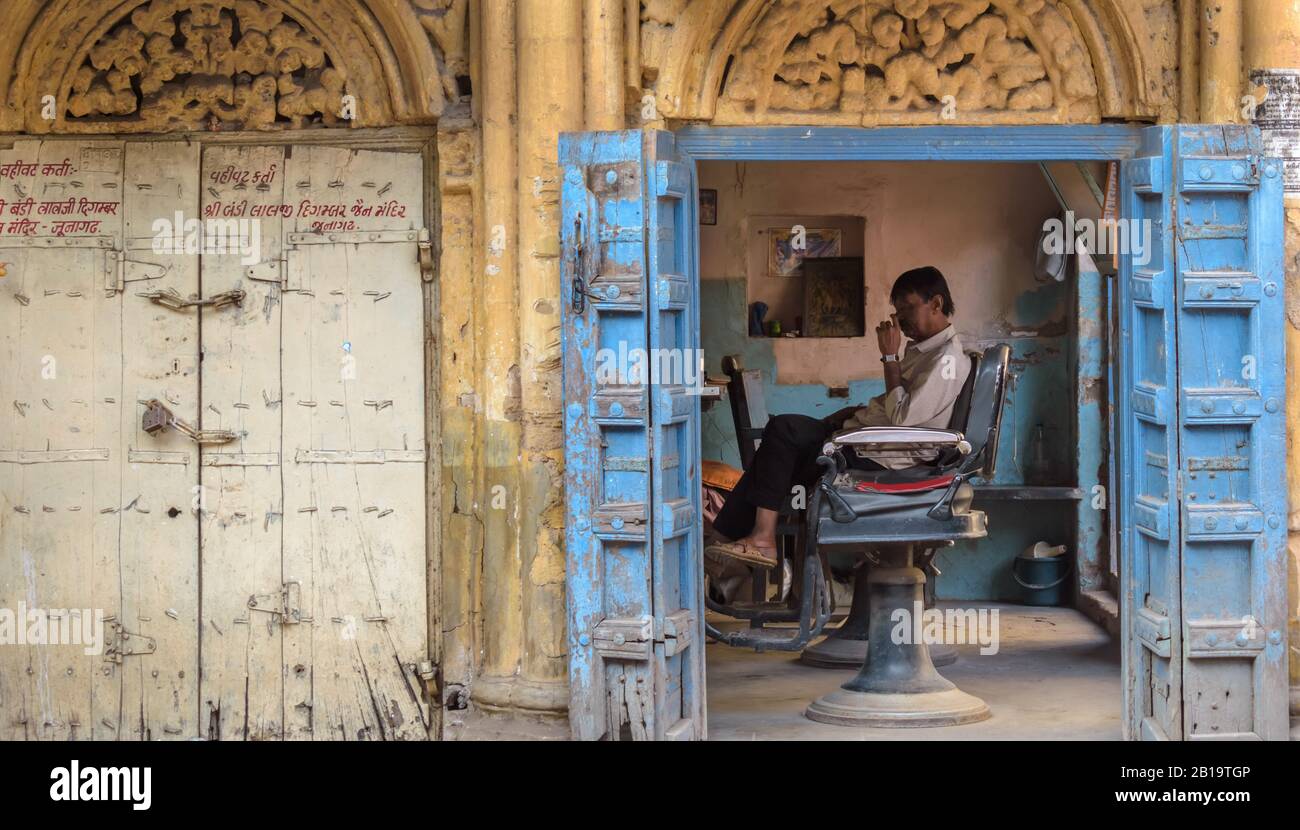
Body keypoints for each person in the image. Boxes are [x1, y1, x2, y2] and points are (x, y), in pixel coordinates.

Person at [706, 265, 971, 568]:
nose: (901, 321)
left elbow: (902, 419)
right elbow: (902, 408)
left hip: (882, 457)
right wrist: (856, 414)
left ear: (936, 304)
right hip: (865, 443)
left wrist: (889, 358)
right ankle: (731, 541)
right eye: (897, 312)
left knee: (783, 431)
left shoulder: (947, 359)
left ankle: (752, 540)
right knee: (777, 447)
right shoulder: (926, 352)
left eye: (908, 308)